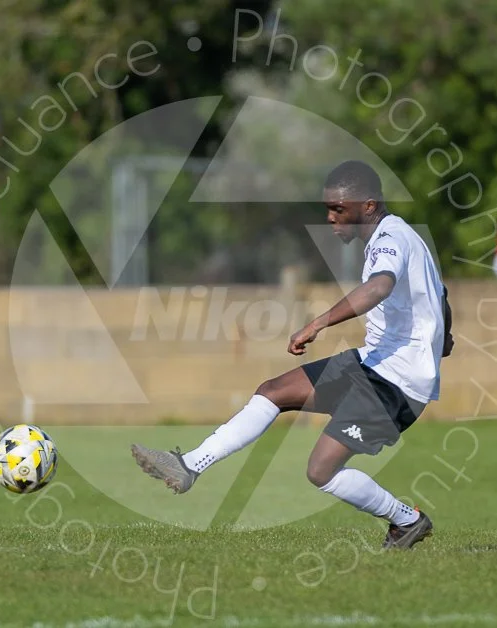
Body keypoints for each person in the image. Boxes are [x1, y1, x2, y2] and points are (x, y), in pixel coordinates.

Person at [131, 160, 453, 550]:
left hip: (397, 383)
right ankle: (189, 466)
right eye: (327, 209)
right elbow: (439, 295)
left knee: (320, 471)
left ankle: (407, 521)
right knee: (273, 390)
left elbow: (378, 288)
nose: (331, 218)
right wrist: (444, 337)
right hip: (373, 363)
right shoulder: (399, 237)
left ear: (368, 206)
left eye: (339, 209)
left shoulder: (390, 240)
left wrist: (318, 323)